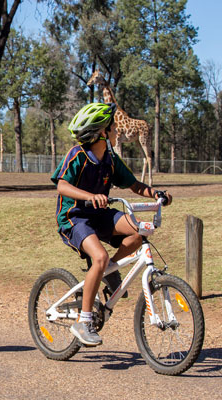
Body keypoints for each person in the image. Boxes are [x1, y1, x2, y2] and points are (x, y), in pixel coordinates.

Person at [51, 103, 172, 347]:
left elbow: (134, 185)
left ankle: (110, 272)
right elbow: (62, 186)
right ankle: (84, 322)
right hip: (74, 217)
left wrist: (156, 193)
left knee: (139, 231)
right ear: (102, 132)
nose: (117, 130)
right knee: (99, 257)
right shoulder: (77, 155)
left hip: (100, 214)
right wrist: (89, 196)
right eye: (113, 127)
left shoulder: (110, 158)